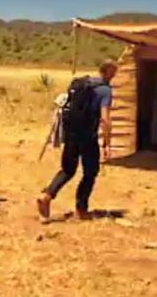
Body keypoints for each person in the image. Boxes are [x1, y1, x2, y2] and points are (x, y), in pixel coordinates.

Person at [37, 61, 118, 222]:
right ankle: (82, 209)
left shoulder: (83, 84)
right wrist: (107, 144)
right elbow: (105, 119)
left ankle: (47, 196)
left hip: (72, 134)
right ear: (108, 71)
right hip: (88, 137)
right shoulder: (105, 91)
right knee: (91, 172)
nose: (115, 75)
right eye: (114, 71)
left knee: (67, 170)